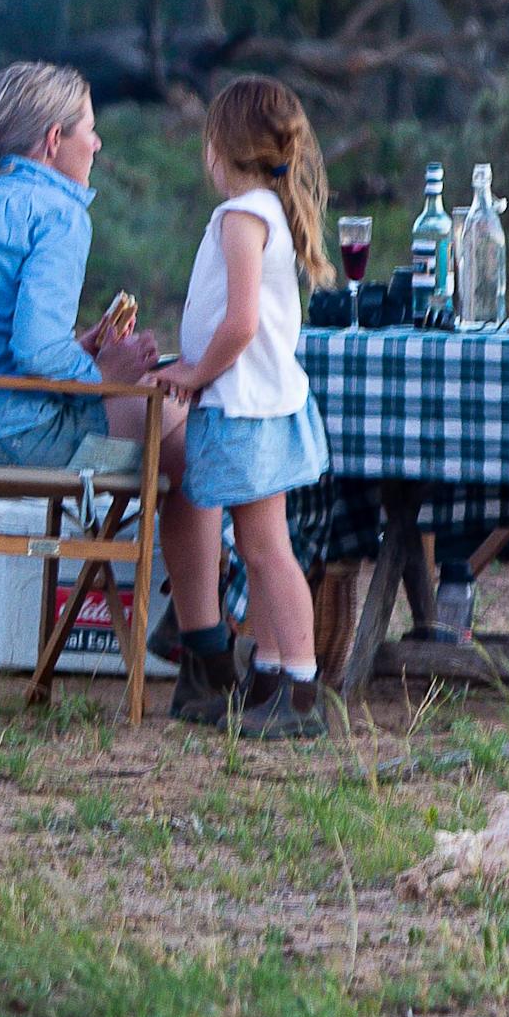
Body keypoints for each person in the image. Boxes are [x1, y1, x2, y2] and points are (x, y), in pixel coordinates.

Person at [156, 76, 337, 740]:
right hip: (263, 403)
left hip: (243, 407)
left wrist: (193, 374)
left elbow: (239, 322)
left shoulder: (241, 218)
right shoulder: (267, 211)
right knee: (262, 547)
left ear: (218, 148)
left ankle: (299, 687)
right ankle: (267, 672)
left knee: (266, 552)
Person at [0, 61, 167, 480]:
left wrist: (74, 352)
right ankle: (142, 546)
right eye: (89, 130)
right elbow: (36, 352)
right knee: (179, 418)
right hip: (2, 442)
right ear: (54, 138)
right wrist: (101, 374)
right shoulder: (56, 213)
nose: (97, 144)